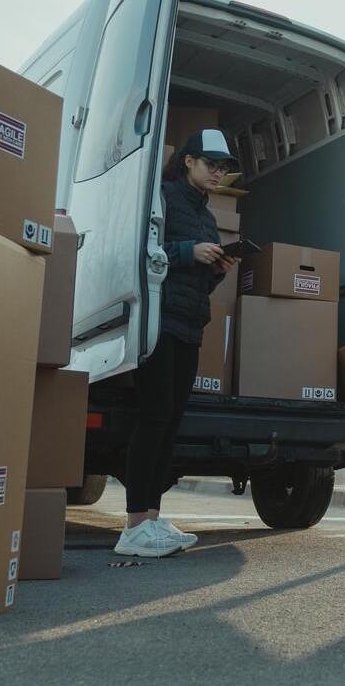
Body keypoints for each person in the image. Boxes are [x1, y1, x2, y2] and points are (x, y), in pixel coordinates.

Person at [114, 129, 239, 557]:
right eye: (211, 164)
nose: (218, 173)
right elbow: (140, 249)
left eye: (223, 168)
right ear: (188, 160)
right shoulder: (162, 197)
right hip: (158, 321)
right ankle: (133, 526)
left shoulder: (207, 215)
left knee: (170, 421)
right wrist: (189, 252)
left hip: (190, 324)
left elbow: (198, 281)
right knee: (152, 418)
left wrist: (218, 266)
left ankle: (150, 518)